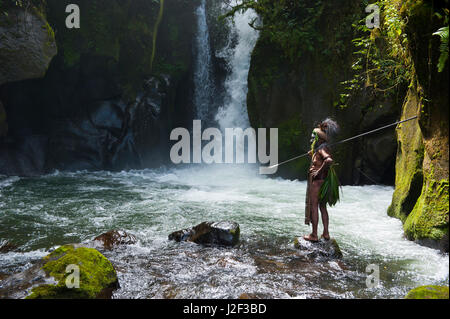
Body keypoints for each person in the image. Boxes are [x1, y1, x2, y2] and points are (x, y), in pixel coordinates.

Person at [304, 119, 339, 242]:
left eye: (313, 137)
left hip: (317, 181)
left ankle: (314, 235)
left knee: (314, 206)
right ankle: (326, 233)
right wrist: (313, 155)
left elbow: (328, 160)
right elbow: (320, 159)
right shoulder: (323, 148)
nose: (311, 140)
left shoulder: (321, 149)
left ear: (319, 139)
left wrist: (318, 171)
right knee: (322, 207)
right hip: (323, 181)